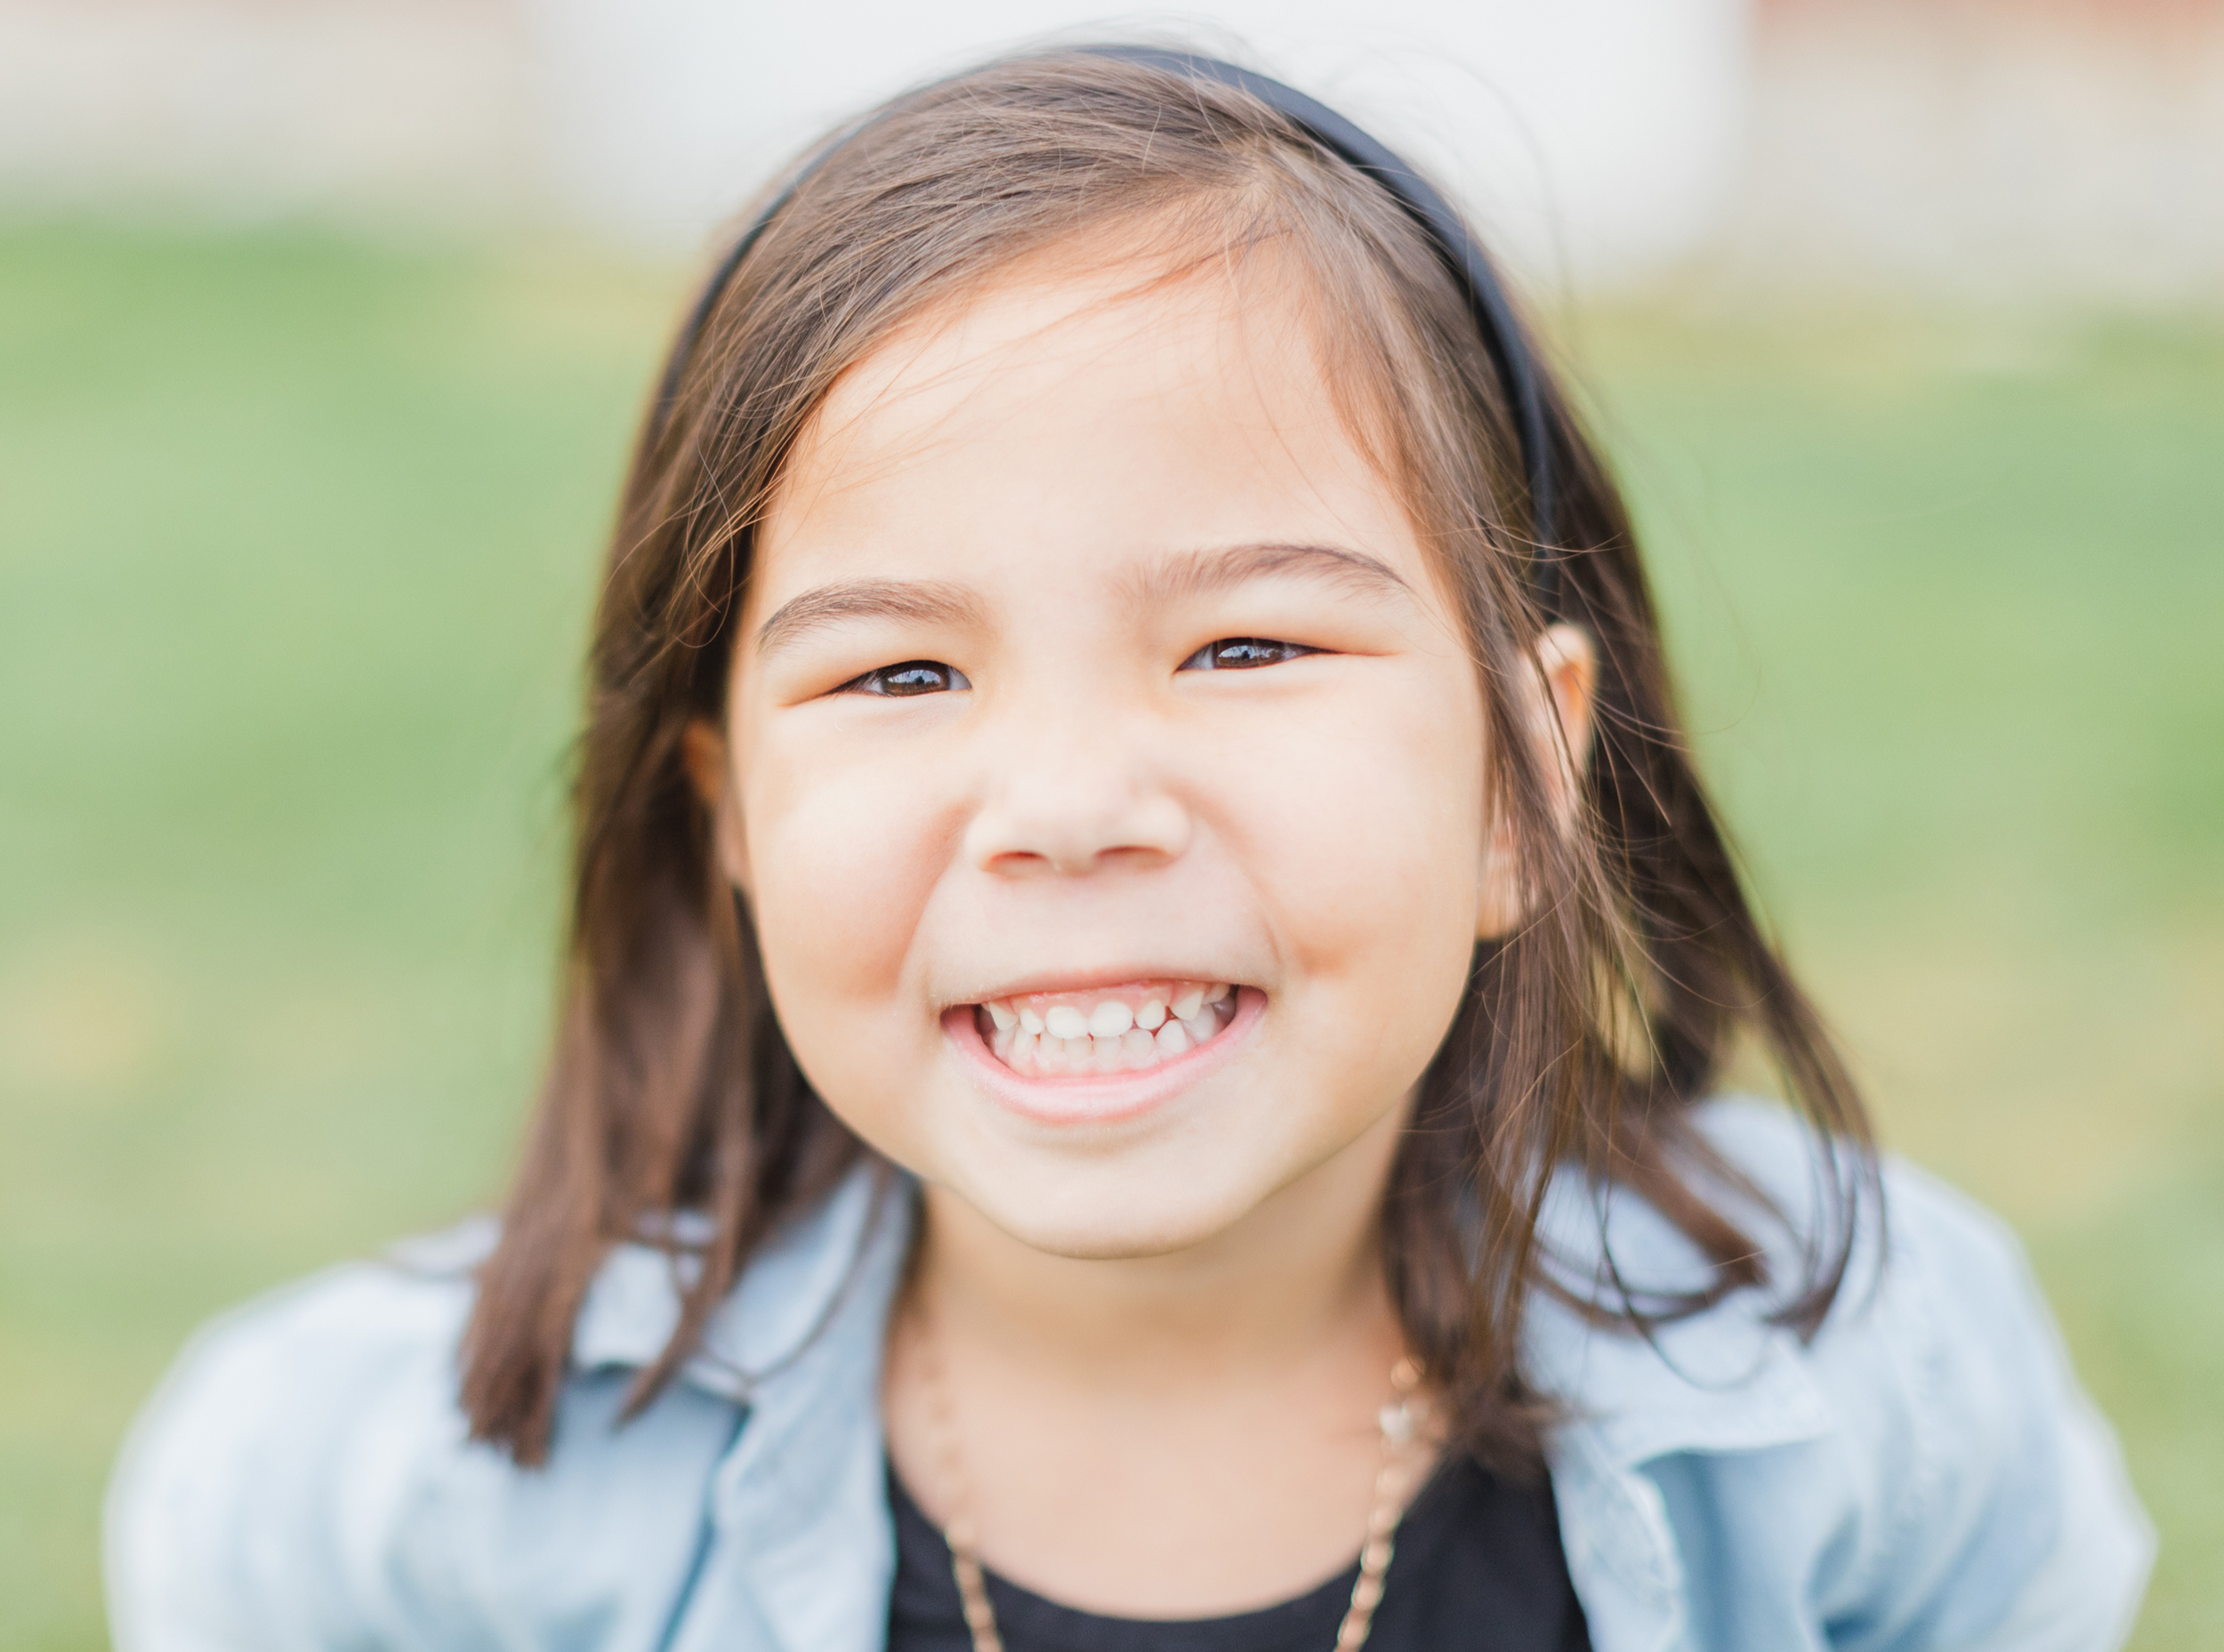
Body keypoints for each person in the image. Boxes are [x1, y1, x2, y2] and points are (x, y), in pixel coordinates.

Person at [104, 46, 2152, 1652]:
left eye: (1245, 642)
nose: (1072, 804)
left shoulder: (1868, 1400)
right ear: (729, 823)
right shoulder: (406, 1487)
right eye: (900, 676)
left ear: (1520, 783)